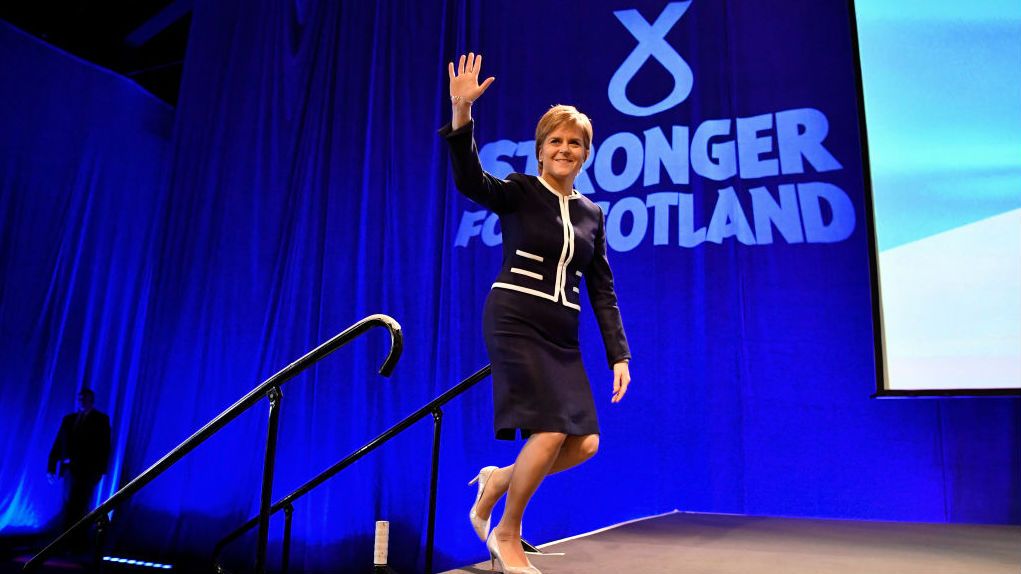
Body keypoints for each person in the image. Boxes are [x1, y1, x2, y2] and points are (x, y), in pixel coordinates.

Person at [440, 53, 632, 573]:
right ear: (540, 151)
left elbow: (602, 289)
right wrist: (462, 112)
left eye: (575, 142)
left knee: (585, 443)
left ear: (586, 153)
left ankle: (500, 479)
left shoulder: (593, 213)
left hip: (561, 334)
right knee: (547, 431)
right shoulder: (522, 191)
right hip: (515, 320)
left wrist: (619, 355)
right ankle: (507, 531)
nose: (564, 149)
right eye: (555, 141)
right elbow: (471, 181)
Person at [48, 387, 111, 548]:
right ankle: (66, 542)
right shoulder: (69, 419)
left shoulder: (101, 419)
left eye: (85, 399)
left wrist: (100, 470)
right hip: (70, 469)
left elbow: (105, 446)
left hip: (88, 471)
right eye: (80, 398)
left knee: (81, 505)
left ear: (91, 401)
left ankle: (77, 543)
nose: (82, 401)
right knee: (69, 504)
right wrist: (51, 466)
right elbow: (59, 442)